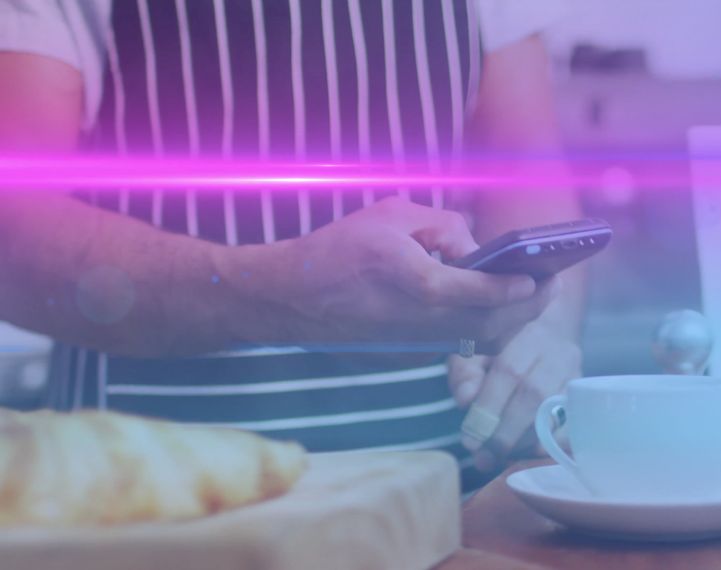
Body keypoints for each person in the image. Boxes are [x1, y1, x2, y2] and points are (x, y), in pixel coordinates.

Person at [0, 0, 584, 483]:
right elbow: (12, 233)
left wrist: (542, 329)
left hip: (438, 500)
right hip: (150, 496)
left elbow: (529, 184)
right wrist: (276, 293)